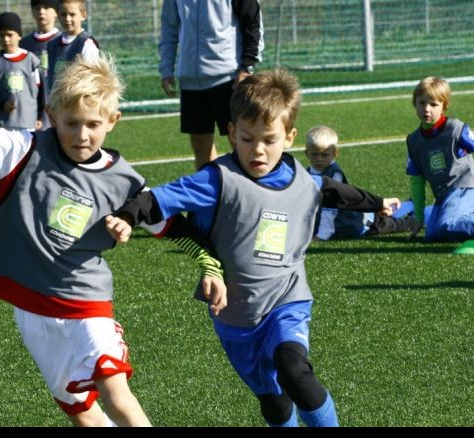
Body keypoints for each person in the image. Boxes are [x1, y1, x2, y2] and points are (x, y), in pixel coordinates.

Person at [0, 54, 225, 427]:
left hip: (86, 304)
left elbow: (175, 228)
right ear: (51, 113)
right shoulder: (22, 151)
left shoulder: (125, 183)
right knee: (81, 411)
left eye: (93, 124)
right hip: (32, 310)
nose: (82, 135)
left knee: (116, 394)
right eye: (71, 123)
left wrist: (210, 266)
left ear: (113, 121)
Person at [106, 69, 401, 427]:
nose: (257, 150)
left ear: (289, 137)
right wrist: (128, 215)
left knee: (295, 371)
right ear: (231, 133)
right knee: (275, 405)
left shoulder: (303, 180)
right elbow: (158, 199)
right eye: (247, 138)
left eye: (269, 139)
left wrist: (377, 202)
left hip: (287, 301)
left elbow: (335, 192)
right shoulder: (217, 180)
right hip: (235, 316)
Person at [158, 0, 264, 169]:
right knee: (200, 144)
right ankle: (211, 193)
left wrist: (247, 66)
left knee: (240, 140)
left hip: (229, 78)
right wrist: (166, 68)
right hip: (190, 81)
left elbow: (252, 22)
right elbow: (169, 28)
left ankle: (250, 190)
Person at [406, 76, 474, 241]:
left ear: (444, 105)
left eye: (433, 104)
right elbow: (417, 182)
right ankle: (473, 215)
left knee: (447, 226)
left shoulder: (456, 129)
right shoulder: (414, 141)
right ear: (414, 103)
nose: (426, 109)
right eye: (422, 103)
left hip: (465, 188)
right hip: (444, 195)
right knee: (433, 235)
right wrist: (419, 218)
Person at [305, 125, 422, 240]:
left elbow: (330, 210)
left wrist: (323, 235)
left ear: (335, 153)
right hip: (352, 218)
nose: (319, 159)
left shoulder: (335, 174)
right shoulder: (305, 173)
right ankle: (408, 205)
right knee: (388, 211)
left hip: (358, 223)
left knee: (393, 224)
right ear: (306, 154)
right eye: (314, 154)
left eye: (325, 154)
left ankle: (419, 215)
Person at [0, 12, 43, 131]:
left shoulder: (31, 60)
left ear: (19, 35)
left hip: (28, 122)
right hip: (3, 123)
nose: (5, 39)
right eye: (1, 35)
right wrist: (1, 104)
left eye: (10, 35)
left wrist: (39, 116)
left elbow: (39, 90)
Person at [20, 0, 62, 129]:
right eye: (37, 7)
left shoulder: (63, 41)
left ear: (56, 12)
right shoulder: (24, 44)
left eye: (46, 7)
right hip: (31, 110)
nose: (41, 11)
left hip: (58, 103)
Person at [46, 0, 99, 95]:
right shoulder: (52, 44)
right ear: (58, 16)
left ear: (83, 16)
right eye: (63, 14)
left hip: (76, 102)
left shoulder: (86, 44)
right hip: (56, 102)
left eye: (72, 14)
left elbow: (91, 80)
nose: (67, 19)